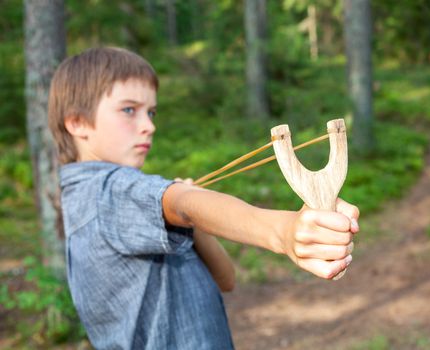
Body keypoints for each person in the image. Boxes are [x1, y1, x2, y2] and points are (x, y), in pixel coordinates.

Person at [48, 47, 360, 350]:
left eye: (151, 112)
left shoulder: (97, 200)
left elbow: (226, 279)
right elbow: (182, 203)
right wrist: (284, 231)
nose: (149, 125)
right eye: (129, 110)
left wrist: (191, 217)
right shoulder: (107, 192)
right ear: (77, 123)